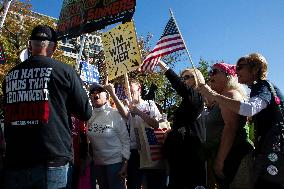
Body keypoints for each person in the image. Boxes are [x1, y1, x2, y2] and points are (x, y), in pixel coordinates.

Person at [2, 25, 92, 189]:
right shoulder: (64, 71)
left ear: (30, 44)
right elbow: (85, 112)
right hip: (52, 159)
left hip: (15, 161)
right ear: (53, 47)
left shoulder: (9, 77)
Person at [198, 53, 284, 189]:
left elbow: (249, 109)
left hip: (269, 151)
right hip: (265, 149)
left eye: (240, 67)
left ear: (255, 69)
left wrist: (215, 96)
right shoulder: (256, 89)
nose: (236, 71)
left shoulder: (264, 87)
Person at [105, 80, 167, 189]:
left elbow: (155, 124)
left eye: (129, 87)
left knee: (153, 184)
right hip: (134, 152)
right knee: (133, 184)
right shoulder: (127, 107)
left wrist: (138, 112)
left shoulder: (149, 104)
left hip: (150, 151)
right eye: (125, 88)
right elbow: (124, 114)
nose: (127, 89)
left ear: (139, 87)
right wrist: (112, 93)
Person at [200, 62, 253, 189]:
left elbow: (230, 127)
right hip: (229, 156)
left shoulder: (230, 94)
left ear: (228, 76)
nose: (210, 75)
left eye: (214, 72)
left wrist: (219, 161)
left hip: (236, 156)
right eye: (209, 73)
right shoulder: (221, 98)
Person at [157, 61, 206, 189]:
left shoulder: (197, 97)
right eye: (182, 77)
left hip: (191, 154)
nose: (183, 80)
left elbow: (181, 88)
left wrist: (164, 68)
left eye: (187, 77)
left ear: (197, 78)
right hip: (179, 153)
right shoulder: (186, 101)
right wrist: (172, 131)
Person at [87, 82, 130, 189]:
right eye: (92, 92)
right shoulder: (89, 116)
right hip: (98, 164)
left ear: (106, 96)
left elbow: (125, 140)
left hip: (115, 164)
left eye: (99, 92)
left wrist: (125, 163)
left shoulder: (115, 113)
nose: (95, 94)